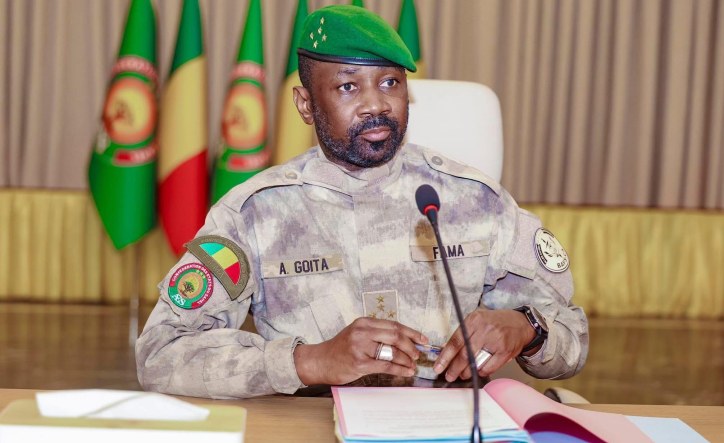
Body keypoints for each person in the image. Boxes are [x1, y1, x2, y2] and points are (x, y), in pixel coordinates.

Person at [136, 5, 588, 399]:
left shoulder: (474, 200)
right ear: (306, 105)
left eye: (390, 82)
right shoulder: (255, 213)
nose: (376, 105)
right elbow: (161, 353)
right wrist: (310, 361)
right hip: (311, 422)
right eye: (348, 87)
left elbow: (571, 337)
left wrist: (527, 329)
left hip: (449, 422)